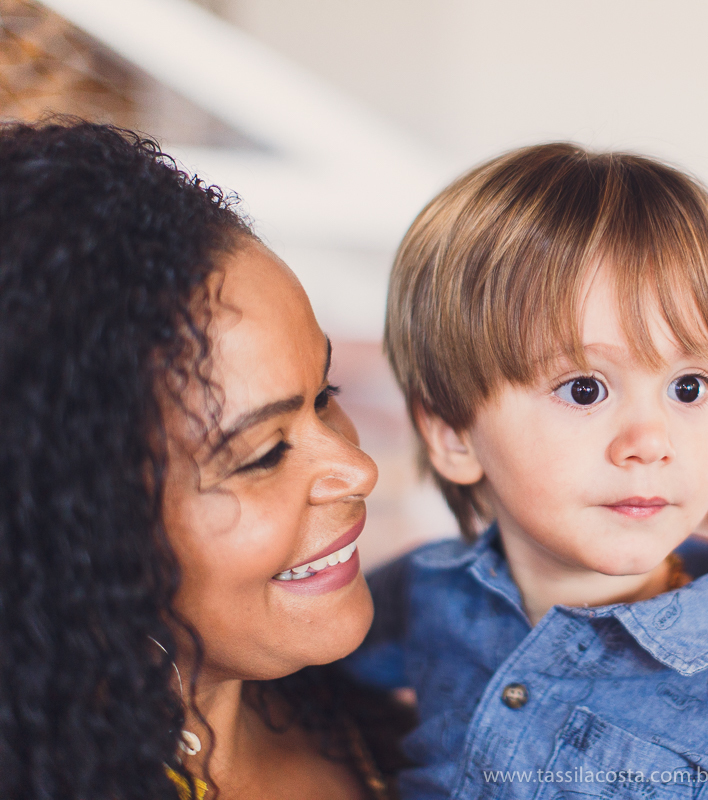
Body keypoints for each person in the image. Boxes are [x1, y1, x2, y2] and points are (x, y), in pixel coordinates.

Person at [347, 143, 708, 800]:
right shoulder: (427, 593)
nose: (650, 441)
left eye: (688, 387)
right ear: (453, 433)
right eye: (584, 389)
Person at [0, 121, 408, 800]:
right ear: (76, 528)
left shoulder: (387, 700)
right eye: (264, 454)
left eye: (324, 395)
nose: (357, 470)